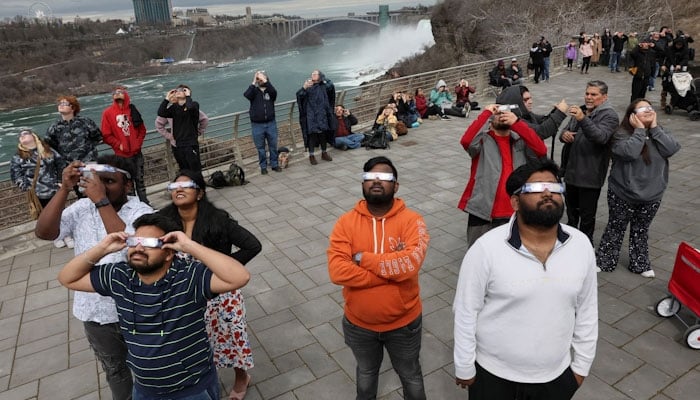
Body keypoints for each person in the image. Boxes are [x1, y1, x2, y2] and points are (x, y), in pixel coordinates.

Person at [57, 213, 251, 399]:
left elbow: (240, 276)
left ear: (168, 253)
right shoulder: (119, 276)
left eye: (149, 243)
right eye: (134, 241)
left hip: (192, 389)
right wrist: (102, 248)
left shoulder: (189, 276)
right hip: (144, 390)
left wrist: (189, 246)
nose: (138, 248)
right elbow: (67, 278)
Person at [454, 158, 598, 400]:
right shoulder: (486, 248)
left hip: (555, 377)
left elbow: (587, 309)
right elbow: (466, 311)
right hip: (493, 376)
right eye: (534, 188)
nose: (547, 194)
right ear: (515, 201)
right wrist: (465, 365)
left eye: (554, 188)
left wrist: (581, 367)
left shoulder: (580, 244)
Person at [35, 155, 154, 400]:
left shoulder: (142, 211)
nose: (100, 187)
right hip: (95, 313)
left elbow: (129, 246)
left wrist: (101, 200)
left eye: (109, 181)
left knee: (149, 367)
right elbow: (45, 232)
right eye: (96, 181)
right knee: (115, 369)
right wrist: (65, 188)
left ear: (128, 185)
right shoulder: (80, 208)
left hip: (138, 309)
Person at [327, 156, 430, 400]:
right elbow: (337, 271)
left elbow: (410, 264)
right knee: (366, 374)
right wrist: (390, 273)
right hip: (359, 325)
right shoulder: (345, 223)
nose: (376, 181)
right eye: (370, 177)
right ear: (362, 184)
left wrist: (363, 258)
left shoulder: (413, 221)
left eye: (384, 177)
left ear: (396, 186)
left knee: (411, 376)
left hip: (404, 325)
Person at [157, 170, 262, 400]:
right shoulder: (163, 221)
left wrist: (220, 269)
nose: (179, 190)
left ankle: (241, 376)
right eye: (175, 187)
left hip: (220, 292)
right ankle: (204, 380)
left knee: (232, 336)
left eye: (186, 186)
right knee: (194, 340)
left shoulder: (218, 219)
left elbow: (253, 245)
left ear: (200, 193)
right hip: (183, 292)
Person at [596, 99, 680, 278]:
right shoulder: (621, 134)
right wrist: (640, 131)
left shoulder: (660, 132)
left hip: (652, 194)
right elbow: (629, 153)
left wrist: (655, 128)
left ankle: (639, 263)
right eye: (642, 109)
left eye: (650, 108)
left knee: (641, 229)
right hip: (623, 193)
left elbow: (671, 148)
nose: (648, 111)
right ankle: (606, 260)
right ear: (632, 115)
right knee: (615, 227)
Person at [457, 104, 547, 246]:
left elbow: (541, 150)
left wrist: (517, 123)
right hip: (483, 210)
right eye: (497, 113)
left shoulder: (519, 139)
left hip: (515, 210)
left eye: (505, 113)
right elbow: (466, 141)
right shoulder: (482, 140)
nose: (501, 115)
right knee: (479, 254)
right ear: (491, 120)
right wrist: (486, 112)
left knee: (512, 255)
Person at [559, 80, 619, 243]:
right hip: (571, 172)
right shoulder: (582, 110)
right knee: (571, 214)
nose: (589, 97)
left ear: (604, 97)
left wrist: (582, 119)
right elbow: (565, 130)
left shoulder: (610, 115)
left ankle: (586, 246)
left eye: (594, 94)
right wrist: (564, 135)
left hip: (590, 176)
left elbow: (600, 137)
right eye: (587, 93)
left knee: (586, 217)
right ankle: (569, 244)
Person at [11, 130, 70, 247]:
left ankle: (67, 234)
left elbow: (61, 164)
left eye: (25, 133)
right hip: (37, 193)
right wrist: (26, 187)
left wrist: (60, 180)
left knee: (61, 212)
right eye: (20, 135)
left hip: (54, 189)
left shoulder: (47, 150)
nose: (22, 136)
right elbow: (15, 175)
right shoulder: (18, 156)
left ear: (34, 136)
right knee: (46, 215)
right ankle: (56, 236)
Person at [101, 85, 149, 204]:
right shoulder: (108, 113)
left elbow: (142, 130)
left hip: (136, 153)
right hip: (121, 156)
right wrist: (118, 144)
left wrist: (137, 144)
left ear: (126, 95)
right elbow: (106, 135)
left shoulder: (133, 110)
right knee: (127, 184)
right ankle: (132, 206)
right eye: (115, 93)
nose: (117, 94)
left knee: (140, 181)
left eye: (120, 92)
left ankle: (145, 204)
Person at [496, 85, 568, 158]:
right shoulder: (512, 121)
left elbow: (544, 121)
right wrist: (559, 113)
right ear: (516, 101)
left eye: (530, 98)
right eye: (525, 100)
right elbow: (541, 131)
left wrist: (555, 112)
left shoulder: (527, 115)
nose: (531, 102)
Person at [157, 84, 203, 172]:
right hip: (178, 144)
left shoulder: (194, 105)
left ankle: (198, 185)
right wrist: (167, 98)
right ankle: (187, 185)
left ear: (186, 92)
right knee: (184, 170)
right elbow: (161, 112)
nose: (177, 91)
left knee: (195, 170)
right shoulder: (174, 108)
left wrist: (188, 96)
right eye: (176, 90)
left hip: (190, 144)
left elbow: (189, 108)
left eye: (181, 90)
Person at [45, 95, 102, 163]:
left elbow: (97, 137)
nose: (61, 105)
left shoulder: (85, 122)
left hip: (89, 162)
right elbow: (49, 145)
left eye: (65, 104)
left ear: (73, 108)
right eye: (60, 103)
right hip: (68, 166)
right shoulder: (54, 127)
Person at [244, 70, 281, 174]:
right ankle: (263, 167)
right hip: (257, 125)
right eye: (258, 79)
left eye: (261, 79)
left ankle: (275, 164)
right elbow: (246, 95)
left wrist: (265, 80)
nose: (259, 80)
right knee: (260, 148)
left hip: (271, 123)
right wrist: (253, 82)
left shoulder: (270, 91)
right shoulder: (254, 91)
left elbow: (274, 93)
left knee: (273, 145)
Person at [296, 69, 335, 165]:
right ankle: (311, 155)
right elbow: (299, 96)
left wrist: (323, 79)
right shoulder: (308, 87)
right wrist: (304, 88)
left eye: (315, 74)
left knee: (323, 134)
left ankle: (324, 153)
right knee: (311, 135)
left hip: (322, 114)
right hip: (311, 115)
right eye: (312, 73)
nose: (312, 75)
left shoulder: (324, 86)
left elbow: (331, 86)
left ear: (320, 76)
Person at [628, 38, 657, 102]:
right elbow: (632, 54)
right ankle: (633, 106)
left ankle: (640, 105)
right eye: (644, 43)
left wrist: (655, 46)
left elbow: (661, 52)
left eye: (647, 43)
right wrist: (638, 46)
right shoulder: (638, 51)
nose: (646, 45)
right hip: (638, 75)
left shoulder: (651, 52)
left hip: (646, 75)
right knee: (635, 93)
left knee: (643, 93)